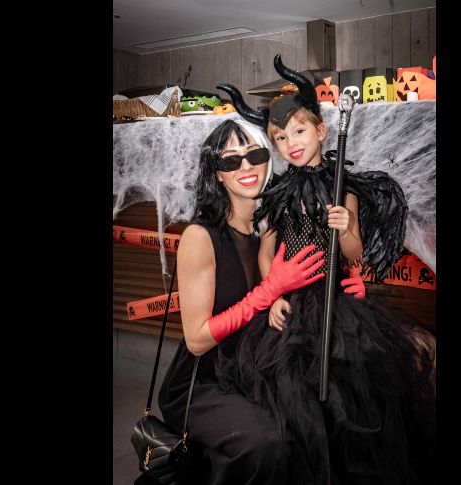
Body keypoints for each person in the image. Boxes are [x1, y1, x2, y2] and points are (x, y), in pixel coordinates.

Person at [215, 55, 437, 485]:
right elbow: (266, 251)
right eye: (281, 138)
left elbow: (353, 253)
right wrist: (274, 293)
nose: (291, 144)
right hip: (292, 306)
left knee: (345, 394)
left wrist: (347, 225)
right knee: (296, 397)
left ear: (320, 130)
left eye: (299, 131)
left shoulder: (341, 187)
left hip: (337, 304)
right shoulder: (278, 192)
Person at [156, 118, 367, 485]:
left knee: (323, 420)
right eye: (230, 160)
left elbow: (329, 256)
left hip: (259, 365)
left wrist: (346, 283)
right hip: (204, 379)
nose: (246, 166)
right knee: (268, 443)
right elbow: (197, 339)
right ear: (216, 173)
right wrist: (269, 291)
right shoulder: (200, 236)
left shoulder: (270, 227)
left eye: (254, 155)